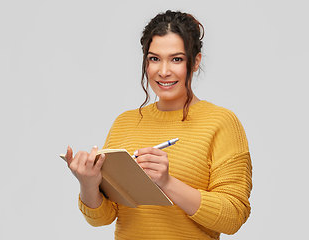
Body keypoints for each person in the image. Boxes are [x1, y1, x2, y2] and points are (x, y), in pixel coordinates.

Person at [65, 10, 252, 239]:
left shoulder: (221, 123)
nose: (163, 71)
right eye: (155, 58)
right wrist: (88, 184)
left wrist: (167, 183)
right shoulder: (125, 123)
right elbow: (103, 217)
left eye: (177, 59)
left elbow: (233, 217)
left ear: (196, 62)